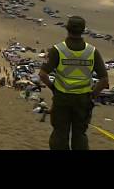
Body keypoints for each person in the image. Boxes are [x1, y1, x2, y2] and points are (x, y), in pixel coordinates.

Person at [39, 16, 109, 150]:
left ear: (67, 28)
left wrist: (54, 89)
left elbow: (42, 74)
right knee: (80, 134)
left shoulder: (57, 50)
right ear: (83, 30)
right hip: (83, 99)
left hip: (62, 98)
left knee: (59, 134)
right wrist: (92, 95)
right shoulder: (92, 52)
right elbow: (104, 80)